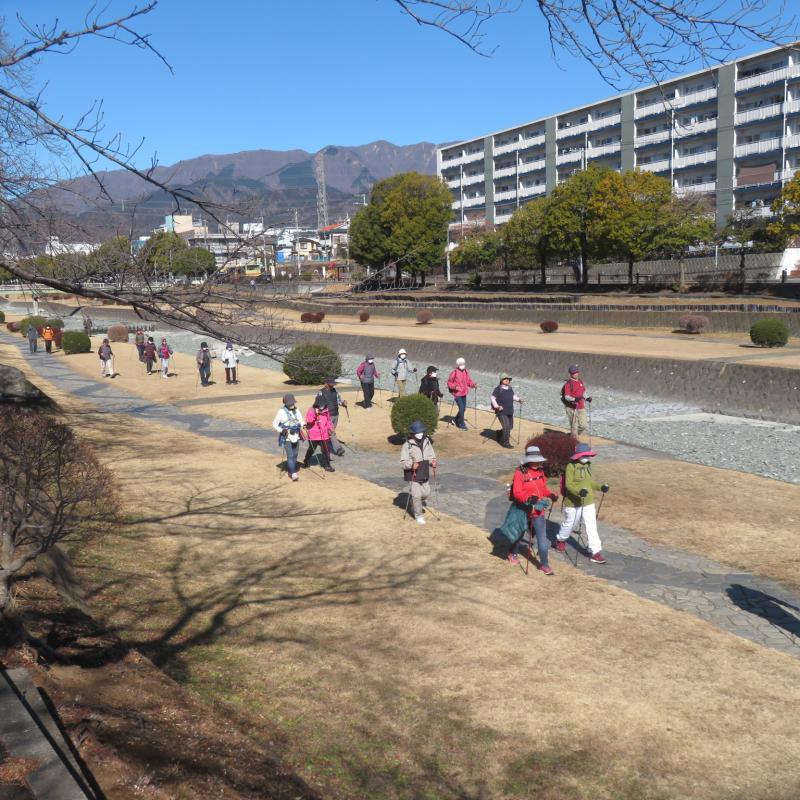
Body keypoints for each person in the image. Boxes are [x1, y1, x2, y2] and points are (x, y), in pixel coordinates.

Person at [502, 447, 558, 573]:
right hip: (522, 509)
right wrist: (528, 498)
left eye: (538, 460)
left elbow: (542, 489)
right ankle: (512, 553)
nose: (537, 463)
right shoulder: (519, 473)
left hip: (538, 510)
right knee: (519, 533)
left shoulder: (540, 472)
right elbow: (517, 493)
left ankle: (544, 564)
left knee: (542, 538)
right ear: (528, 460)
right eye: (534, 460)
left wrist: (550, 495)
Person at [555, 443, 609, 564]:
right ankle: (561, 539)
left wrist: (601, 487)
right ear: (578, 455)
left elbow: (590, 483)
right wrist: (579, 492)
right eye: (584, 455)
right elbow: (569, 485)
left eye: (588, 455)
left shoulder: (589, 465)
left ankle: (595, 552)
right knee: (570, 524)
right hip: (573, 502)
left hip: (588, 501)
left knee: (591, 526)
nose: (586, 457)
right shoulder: (570, 466)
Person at [399, 420, 437, 525]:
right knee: (417, 495)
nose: (420, 434)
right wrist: (411, 464)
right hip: (413, 474)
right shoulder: (407, 445)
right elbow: (402, 463)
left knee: (426, 493)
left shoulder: (427, 442)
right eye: (418, 432)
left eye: (422, 432)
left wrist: (433, 462)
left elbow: (431, 455)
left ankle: (413, 504)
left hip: (424, 472)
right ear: (413, 433)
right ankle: (418, 515)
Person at [273, 393, 304, 481]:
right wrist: (282, 430)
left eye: (293, 403)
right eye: (290, 403)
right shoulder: (281, 411)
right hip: (287, 436)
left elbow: (300, 420)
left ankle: (291, 470)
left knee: (295, 455)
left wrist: (304, 425)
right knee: (290, 455)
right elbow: (274, 424)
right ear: (285, 403)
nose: (292, 405)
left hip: (296, 435)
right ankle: (293, 473)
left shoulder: (296, 410)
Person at [316, 377, 347, 457]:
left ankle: (322, 441)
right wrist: (320, 412)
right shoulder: (321, 392)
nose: (332, 386)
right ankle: (338, 448)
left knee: (330, 431)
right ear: (326, 383)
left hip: (336, 414)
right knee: (331, 432)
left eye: (333, 384)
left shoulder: (335, 391)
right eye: (330, 385)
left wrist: (343, 403)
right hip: (327, 415)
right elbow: (318, 404)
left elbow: (339, 401)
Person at [303, 397, 335, 472]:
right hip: (314, 434)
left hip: (324, 434)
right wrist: (315, 414)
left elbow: (328, 421)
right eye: (320, 405)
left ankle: (327, 465)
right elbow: (309, 421)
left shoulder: (326, 410)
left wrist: (330, 428)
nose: (322, 406)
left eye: (323, 405)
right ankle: (306, 460)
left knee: (326, 450)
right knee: (312, 449)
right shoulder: (311, 410)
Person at [491, 373, 521, 449]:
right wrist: (497, 406)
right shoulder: (498, 389)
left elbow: (513, 396)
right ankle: (505, 443)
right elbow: (493, 398)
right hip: (501, 412)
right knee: (507, 427)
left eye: (508, 379)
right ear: (501, 380)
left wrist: (518, 400)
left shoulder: (510, 388)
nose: (507, 380)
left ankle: (499, 433)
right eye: (505, 379)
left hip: (510, 411)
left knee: (510, 427)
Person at [447, 357, 477, 430]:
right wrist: (455, 387)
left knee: (463, 409)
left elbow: (468, 381)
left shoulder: (466, 372)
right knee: (461, 408)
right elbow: (449, 382)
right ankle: (461, 424)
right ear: (458, 365)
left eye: (463, 364)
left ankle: (455, 419)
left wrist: (473, 385)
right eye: (461, 365)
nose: (462, 366)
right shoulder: (454, 372)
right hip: (457, 394)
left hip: (464, 393)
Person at [561, 364, 591, 437]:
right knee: (574, 426)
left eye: (576, 372)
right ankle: (574, 440)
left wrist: (587, 398)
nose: (575, 374)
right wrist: (574, 399)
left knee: (583, 425)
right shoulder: (568, 384)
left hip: (581, 407)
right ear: (570, 374)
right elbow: (566, 397)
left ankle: (573, 436)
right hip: (571, 408)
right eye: (573, 373)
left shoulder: (580, 381)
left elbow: (583, 392)